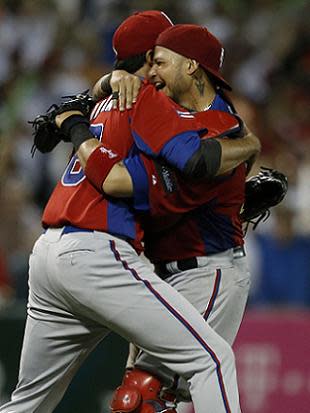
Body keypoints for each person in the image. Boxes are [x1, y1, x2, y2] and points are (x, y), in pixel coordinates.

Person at [0, 11, 260, 413]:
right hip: (96, 253)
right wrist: (248, 147)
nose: (157, 67)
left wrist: (80, 115)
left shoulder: (100, 99)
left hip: (49, 255)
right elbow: (190, 159)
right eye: (155, 56)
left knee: (30, 403)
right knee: (211, 360)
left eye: (165, 58)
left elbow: (48, 128)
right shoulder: (145, 97)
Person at [92, 24, 256, 411]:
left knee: (144, 395)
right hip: (161, 273)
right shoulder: (175, 115)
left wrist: (79, 135)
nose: (151, 73)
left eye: (161, 62)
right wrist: (106, 82)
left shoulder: (220, 126)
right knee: (151, 400)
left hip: (205, 273)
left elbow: (121, 181)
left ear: (192, 67)